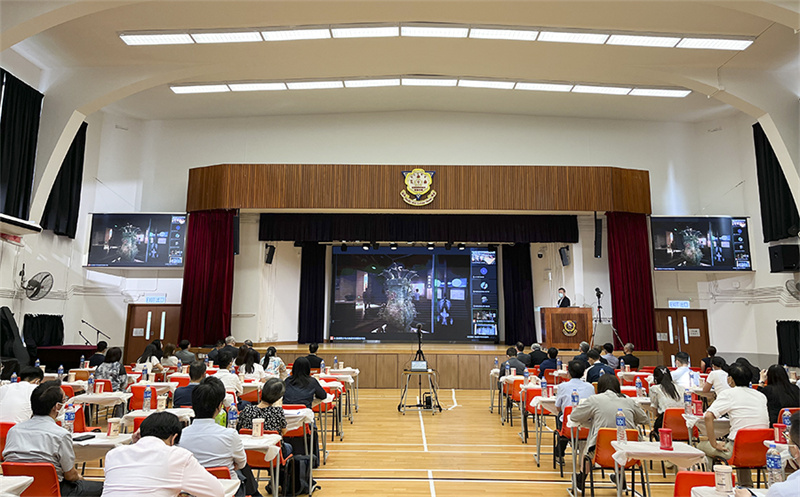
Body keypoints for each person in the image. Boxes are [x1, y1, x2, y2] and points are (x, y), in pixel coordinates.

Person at [2, 380, 104, 496]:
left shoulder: (13, 431)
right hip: (54, 490)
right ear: (57, 407)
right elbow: (70, 475)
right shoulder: (60, 434)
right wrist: (81, 478)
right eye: (64, 400)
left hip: (17, 490)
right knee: (105, 488)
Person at [101, 411, 225, 497]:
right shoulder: (178, 456)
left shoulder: (113, 454)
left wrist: (134, 443)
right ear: (174, 438)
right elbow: (217, 492)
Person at [178, 377, 260, 497]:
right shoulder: (230, 435)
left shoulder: (180, 436)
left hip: (191, 492)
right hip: (226, 491)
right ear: (220, 406)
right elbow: (241, 464)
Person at [570, 374, 649, 489]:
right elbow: (644, 419)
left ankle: (581, 480)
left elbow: (574, 416)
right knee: (618, 441)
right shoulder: (628, 400)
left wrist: (593, 420)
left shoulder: (595, 399)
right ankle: (620, 480)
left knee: (588, 448)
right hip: (630, 451)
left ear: (600, 387)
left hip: (601, 452)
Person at [698, 363, 769, 487]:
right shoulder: (761, 396)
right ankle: (745, 486)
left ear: (730, 379)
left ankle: (719, 485)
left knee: (701, 446)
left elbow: (708, 416)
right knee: (742, 446)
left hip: (737, 450)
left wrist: (714, 443)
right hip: (762, 450)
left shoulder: (728, 394)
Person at [554, 360, 595, 459]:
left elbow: (558, 407)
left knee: (560, 416)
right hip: (588, 427)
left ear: (568, 373)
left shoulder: (562, 386)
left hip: (569, 428)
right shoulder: (590, 387)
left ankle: (559, 453)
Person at [649, 366, 683, 432]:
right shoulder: (681, 388)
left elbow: (655, 410)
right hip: (682, 420)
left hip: (666, 421)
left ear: (655, 378)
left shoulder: (654, 389)